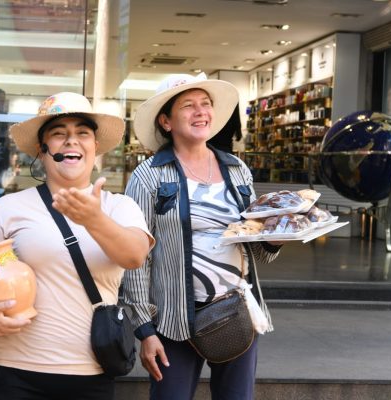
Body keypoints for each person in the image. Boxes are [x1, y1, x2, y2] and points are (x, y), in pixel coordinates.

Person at [0, 92, 154, 400]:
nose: (71, 141)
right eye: (59, 134)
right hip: (8, 369)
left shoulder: (119, 207)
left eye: (82, 133)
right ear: (42, 152)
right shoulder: (9, 207)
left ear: (94, 148)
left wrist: (94, 218)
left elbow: (134, 256)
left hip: (89, 371)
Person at [121, 73, 283, 400]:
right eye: (188, 106)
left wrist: (275, 237)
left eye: (205, 104)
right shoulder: (148, 175)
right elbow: (135, 257)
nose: (201, 111)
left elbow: (255, 244)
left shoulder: (236, 169)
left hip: (235, 312)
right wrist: (144, 328)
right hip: (172, 320)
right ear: (166, 121)